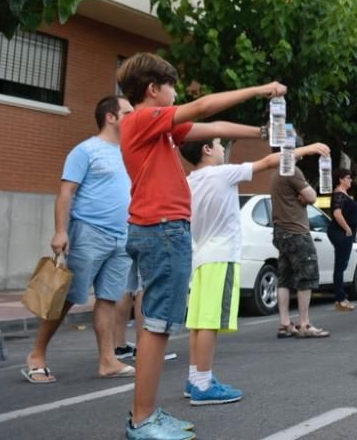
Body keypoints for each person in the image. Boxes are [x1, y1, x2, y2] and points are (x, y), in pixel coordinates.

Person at [116, 52, 285, 440]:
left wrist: (261, 133)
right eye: (171, 87)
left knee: (158, 326)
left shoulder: (157, 130)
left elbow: (212, 125)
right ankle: (142, 419)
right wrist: (261, 89)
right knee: (157, 328)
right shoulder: (142, 120)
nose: (176, 94)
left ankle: (146, 415)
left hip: (160, 229)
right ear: (153, 90)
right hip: (162, 229)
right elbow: (205, 106)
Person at [178, 136, 327, 405]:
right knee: (210, 322)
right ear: (207, 150)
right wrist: (309, 148)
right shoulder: (221, 174)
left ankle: (194, 378)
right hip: (220, 257)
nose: (224, 148)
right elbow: (270, 160)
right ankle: (203, 383)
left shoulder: (190, 181)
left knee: (198, 323)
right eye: (219, 144)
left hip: (200, 258)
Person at [23, 96, 136, 384]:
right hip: (89, 232)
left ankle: (108, 360)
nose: (134, 117)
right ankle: (36, 355)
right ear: (111, 117)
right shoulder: (85, 151)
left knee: (108, 300)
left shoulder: (129, 152)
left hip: (122, 236)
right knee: (68, 298)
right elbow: (66, 192)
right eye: (128, 113)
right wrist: (61, 231)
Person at [271, 156, 331, 339]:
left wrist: (302, 196)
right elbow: (312, 196)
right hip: (297, 231)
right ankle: (304, 324)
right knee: (307, 275)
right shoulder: (292, 171)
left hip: (281, 230)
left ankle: (284, 324)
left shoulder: (275, 172)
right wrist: (305, 196)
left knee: (285, 277)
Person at [330, 168, 357, 311]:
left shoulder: (344, 195)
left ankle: (341, 297)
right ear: (341, 179)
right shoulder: (339, 194)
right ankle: (340, 299)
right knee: (340, 266)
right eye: (348, 178)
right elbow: (337, 213)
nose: (350, 180)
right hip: (341, 233)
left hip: (345, 233)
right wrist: (347, 228)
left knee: (341, 265)